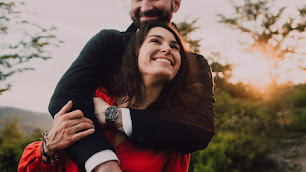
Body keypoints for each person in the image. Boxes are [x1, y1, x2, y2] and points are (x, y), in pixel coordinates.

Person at [47, 0, 215, 171]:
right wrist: (102, 160)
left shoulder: (194, 63)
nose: (144, 7)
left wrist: (113, 115)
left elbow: (200, 130)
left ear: (176, 3)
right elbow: (66, 100)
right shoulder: (108, 43)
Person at [19, 22, 202, 171]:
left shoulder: (174, 135)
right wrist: (48, 147)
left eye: (174, 46)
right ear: (135, 53)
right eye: (155, 41)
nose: (167, 49)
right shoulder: (89, 99)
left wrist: (110, 114)